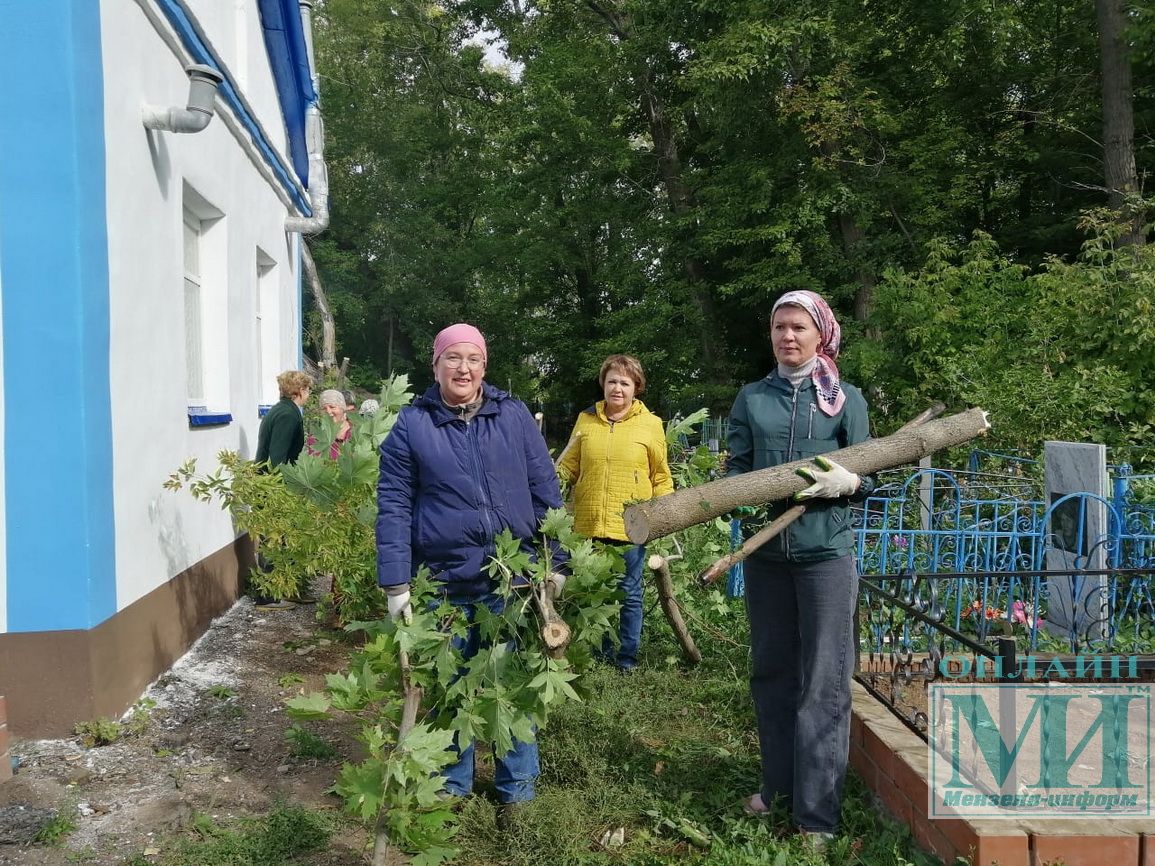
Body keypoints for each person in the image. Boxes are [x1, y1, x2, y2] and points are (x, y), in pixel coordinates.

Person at [375, 322, 565, 809]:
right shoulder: (412, 426)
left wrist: (556, 561)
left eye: (473, 359)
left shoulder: (513, 415)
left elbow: (545, 487)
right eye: (453, 358)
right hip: (444, 582)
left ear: (484, 365)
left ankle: (515, 792)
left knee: (513, 688)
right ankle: (451, 790)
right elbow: (394, 504)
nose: (464, 368)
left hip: (513, 578)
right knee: (451, 688)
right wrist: (397, 583)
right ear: (435, 365)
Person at [725, 290, 874, 848]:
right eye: (779, 328)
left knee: (824, 684)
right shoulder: (751, 399)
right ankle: (779, 790)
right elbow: (738, 472)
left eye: (797, 328)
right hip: (767, 559)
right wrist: (729, 499)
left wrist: (851, 482)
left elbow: (872, 472)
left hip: (825, 558)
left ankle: (816, 817)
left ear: (820, 334)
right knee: (772, 676)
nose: (787, 337)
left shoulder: (845, 400)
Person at [556, 354, 673, 671]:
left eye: (624, 382)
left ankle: (626, 658)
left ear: (636, 387)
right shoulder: (586, 421)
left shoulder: (650, 425)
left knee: (628, 593)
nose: (617, 388)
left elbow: (661, 476)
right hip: (589, 522)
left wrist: (665, 517)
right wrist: (549, 485)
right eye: (612, 381)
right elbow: (568, 466)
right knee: (596, 592)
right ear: (603, 384)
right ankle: (600, 652)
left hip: (631, 525)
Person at [255, 370, 312, 468]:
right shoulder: (288, 415)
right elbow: (278, 456)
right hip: (274, 479)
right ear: (301, 391)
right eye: (308, 390)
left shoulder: (280, 409)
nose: (308, 395)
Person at [307, 389, 353, 458]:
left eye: (332, 407)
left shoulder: (356, 432)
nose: (328, 411)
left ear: (342, 408)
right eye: (323, 409)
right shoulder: (315, 438)